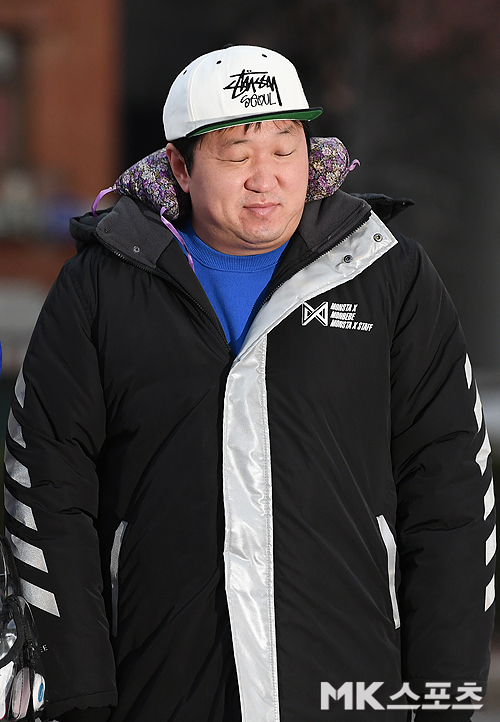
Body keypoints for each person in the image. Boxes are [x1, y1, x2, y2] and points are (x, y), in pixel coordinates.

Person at [2, 45, 495, 722]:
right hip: (159, 685)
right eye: (237, 156)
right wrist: (80, 691)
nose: (266, 178)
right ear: (180, 166)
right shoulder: (102, 288)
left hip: (349, 687)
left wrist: (446, 697)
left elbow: (451, 494)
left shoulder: (387, 276)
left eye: (285, 149)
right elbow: (46, 488)